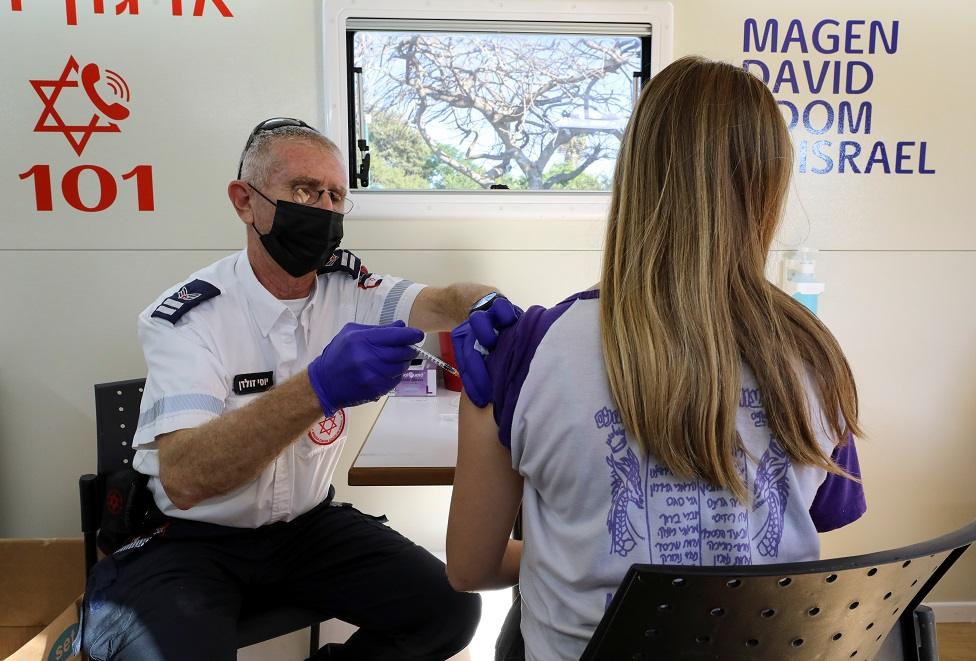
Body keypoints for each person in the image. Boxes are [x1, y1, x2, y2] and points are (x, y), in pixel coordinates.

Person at [445, 57, 867, 661]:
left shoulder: (527, 348)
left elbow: (468, 568)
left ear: (634, 175)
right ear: (768, 188)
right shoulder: (815, 359)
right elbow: (798, 548)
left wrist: (571, 556)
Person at [81, 117, 517, 661]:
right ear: (245, 201)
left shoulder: (350, 288)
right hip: (191, 538)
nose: (325, 209)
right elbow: (188, 479)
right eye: (305, 190)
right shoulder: (188, 318)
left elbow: (444, 299)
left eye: (336, 196)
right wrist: (317, 388)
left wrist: (484, 305)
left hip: (305, 529)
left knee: (449, 610)